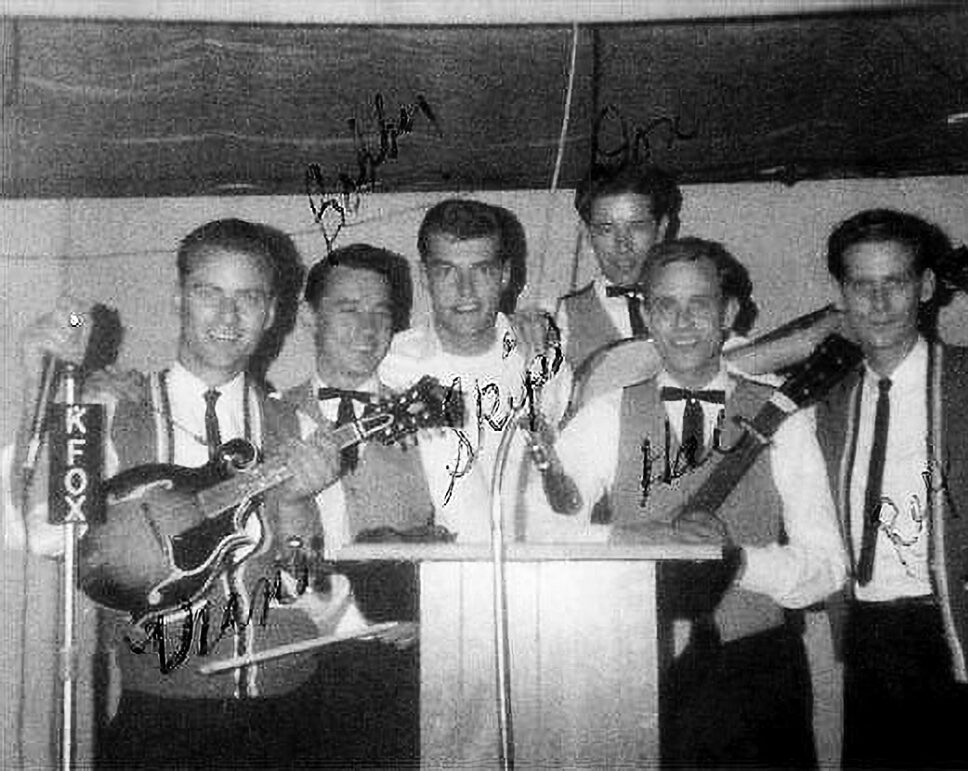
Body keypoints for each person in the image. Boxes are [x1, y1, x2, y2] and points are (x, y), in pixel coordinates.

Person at [13, 219, 341, 769]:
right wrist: (36, 391)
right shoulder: (107, 410)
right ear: (179, 299)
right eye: (209, 293)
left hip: (288, 718)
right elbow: (45, 535)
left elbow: (322, 603)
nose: (228, 317)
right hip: (159, 721)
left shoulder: (303, 428)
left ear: (271, 314)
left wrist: (298, 508)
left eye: (248, 298)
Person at [536, 237, 846, 768]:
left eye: (698, 304)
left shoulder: (785, 416)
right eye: (665, 306)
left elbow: (828, 568)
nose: (682, 323)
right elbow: (535, 528)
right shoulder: (605, 414)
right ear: (647, 317)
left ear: (728, 313)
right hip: (637, 668)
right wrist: (626, 538)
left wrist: (736, 560)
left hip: (758, 673)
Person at [815, 208, 968, 769]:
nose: (878, 304)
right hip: (869, 638)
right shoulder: (828, 404)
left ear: (926, 286)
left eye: (895, 283)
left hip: (964, 634)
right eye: (862, 285)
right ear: (842, 294)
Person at [281, 243, 430, 767]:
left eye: (381, 313)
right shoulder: (262, 417)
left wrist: (429, 613)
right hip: (289, 663)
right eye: (349, 310)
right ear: (308, 316)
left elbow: (470, 539)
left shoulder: (432, 422)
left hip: (397, 660)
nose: (368, 330)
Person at [379, 198, 570, 542]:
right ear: (425, 276)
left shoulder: (544, 362)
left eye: (481, 270)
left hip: (530, 570)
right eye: (447, 271)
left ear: (505, 275)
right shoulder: (390, 364)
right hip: (428, 572)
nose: (464, 291)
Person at [557, 163, 683, 370]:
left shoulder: (695, 305)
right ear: (587, 235)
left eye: (637, 226)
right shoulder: (560, 318)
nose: (623, 245)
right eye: (607, 229)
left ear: (661, 229)